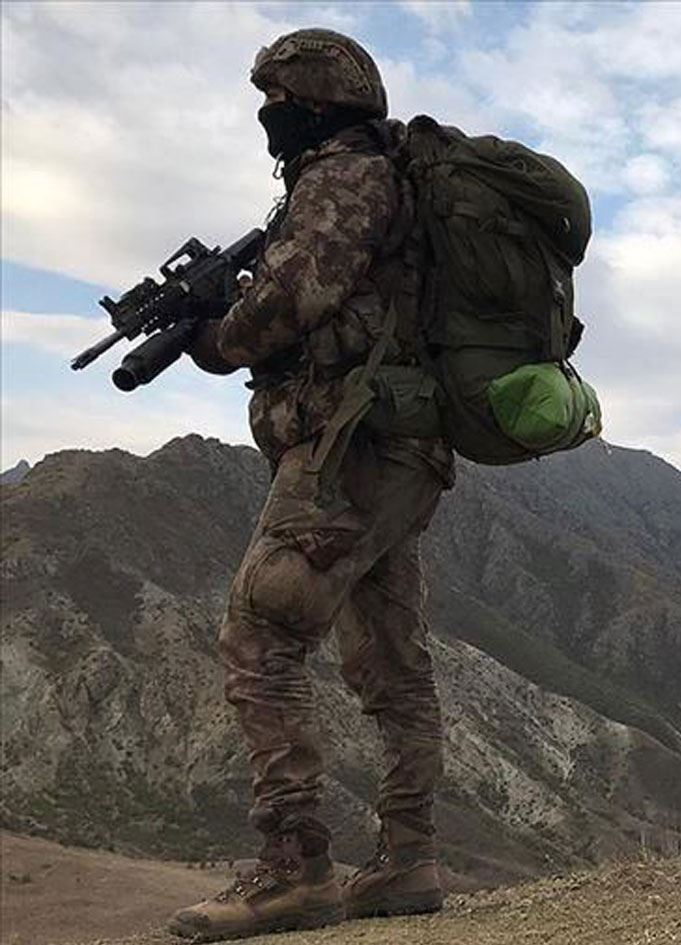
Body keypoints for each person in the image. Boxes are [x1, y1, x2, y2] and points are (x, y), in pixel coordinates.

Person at [170, 29, 451, 941]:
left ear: (321, 103)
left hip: (347, 450)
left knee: (260, 637)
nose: (268, 117)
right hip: (398, 449)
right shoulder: (387, 179)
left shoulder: (344, 179)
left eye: (279, 102)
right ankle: (409, 856)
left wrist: (216, 336)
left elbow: (292, 299)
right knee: (391, 661)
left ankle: (295, 870)